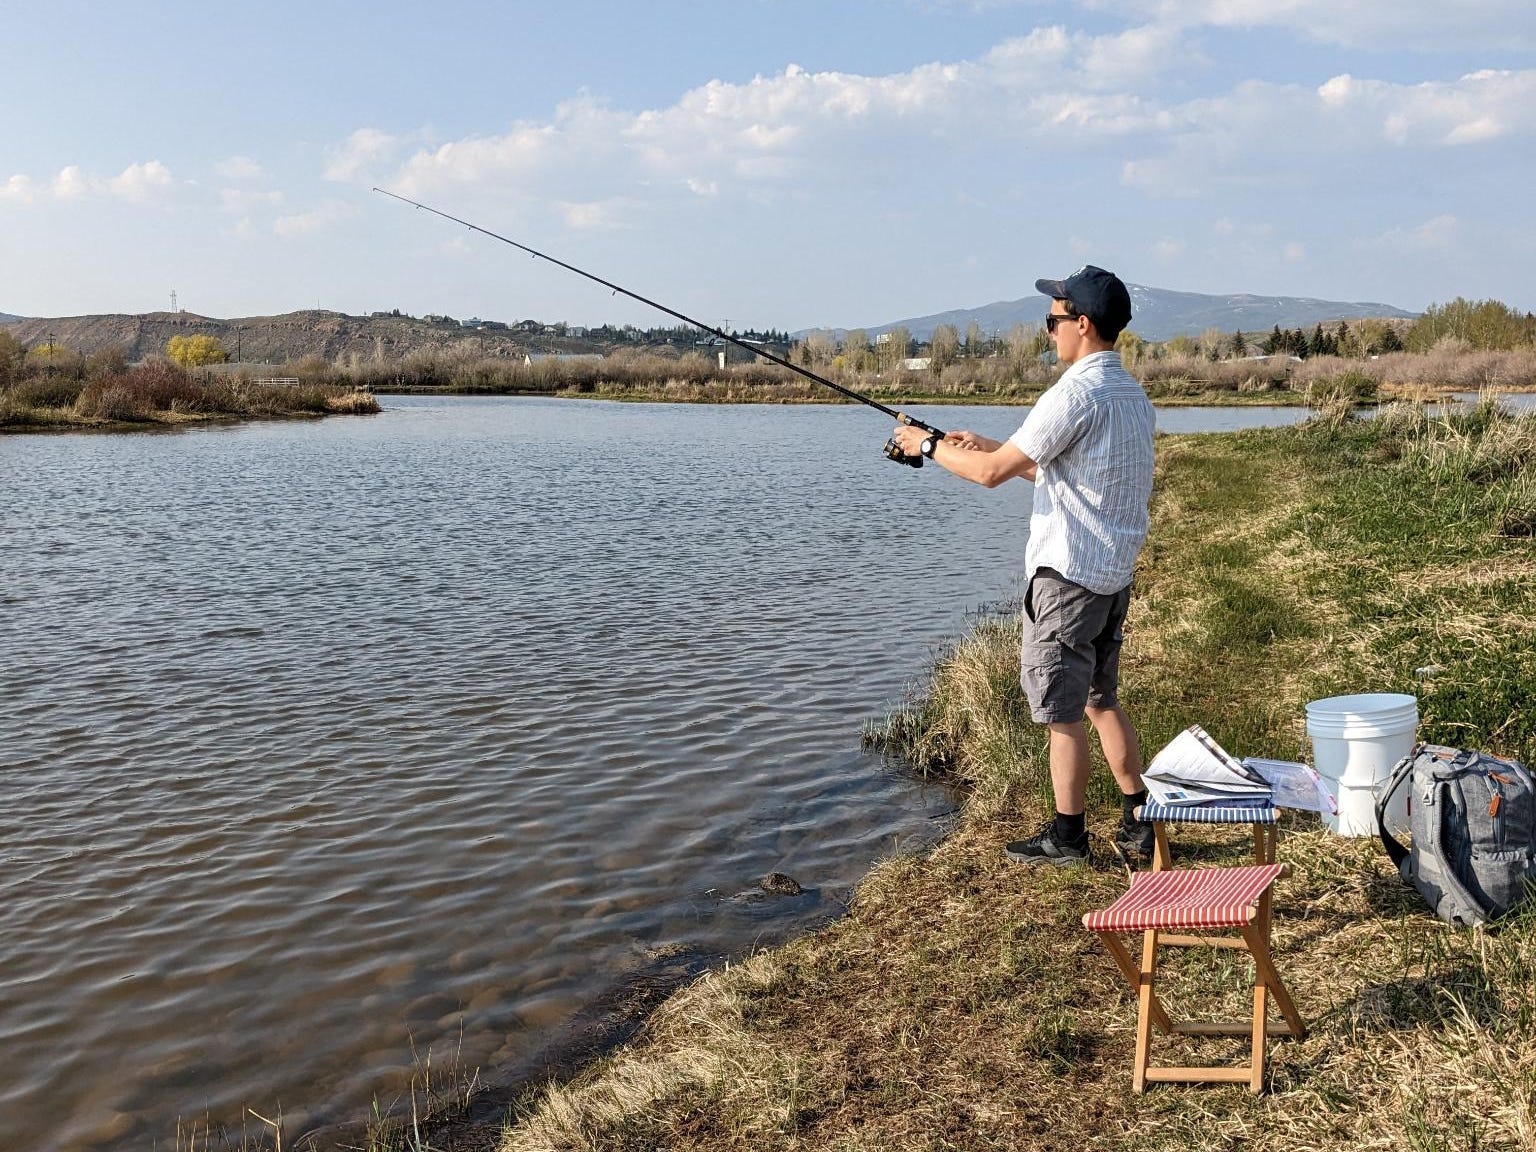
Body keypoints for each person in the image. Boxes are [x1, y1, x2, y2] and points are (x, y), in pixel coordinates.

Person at [890, 265, 1156, 866]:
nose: (1048, 332)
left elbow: (989, 477)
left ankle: (1067, 837)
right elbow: (1064, 476)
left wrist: (926, 446)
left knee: (1062, 714)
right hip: (1111, 577)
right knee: (1101, 700)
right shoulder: (1130, 395)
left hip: (1067, 580)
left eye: (1052, 320)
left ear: (1081, 324)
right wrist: (989, 445)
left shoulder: (1074, 393)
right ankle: (1139, 816)